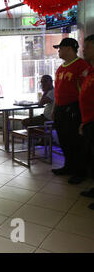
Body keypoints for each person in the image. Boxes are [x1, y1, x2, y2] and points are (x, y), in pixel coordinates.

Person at [51, 37, 91, 185]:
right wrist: (55, 108)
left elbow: (85, 92)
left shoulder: (82, 66)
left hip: (75, 109)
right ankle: (68, 166)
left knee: (77, 142)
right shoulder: (61, 68)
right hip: (61, 109)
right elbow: (57, 91)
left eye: (60, 48)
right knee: (64, 139)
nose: (59, 51)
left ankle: (80, 172)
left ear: (68, 48)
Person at [78, 34, 94, 210]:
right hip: (89, 121)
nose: (84, 49)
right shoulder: (89, 71)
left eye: (88, 46)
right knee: (91, 158)